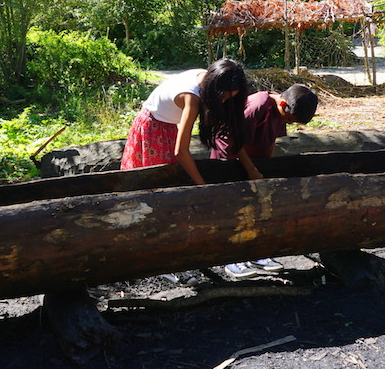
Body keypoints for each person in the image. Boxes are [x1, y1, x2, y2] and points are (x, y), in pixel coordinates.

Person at [215, 83, 318, 279]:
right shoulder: (257, 106)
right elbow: (232, 140)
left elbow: (271, 140)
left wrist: (266, 168)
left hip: (254, 164)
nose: (288, 122)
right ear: (283, 103)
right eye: (289, 118)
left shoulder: (282, 111)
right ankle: (231, 260)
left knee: (255, 209)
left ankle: (255, 254)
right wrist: (251, 169)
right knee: (234, 211)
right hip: (230, 161)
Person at [120, 58, 263, 185]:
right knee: (155, 183)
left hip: (167, 126)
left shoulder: (209, 79)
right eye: (223, 96)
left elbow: (230, 131)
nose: (224, 101)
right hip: (152, 127)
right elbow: (181, 151)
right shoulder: (192, 99)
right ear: (214, 89)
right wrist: (202, 186)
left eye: (229, 98)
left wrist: (251, 169)